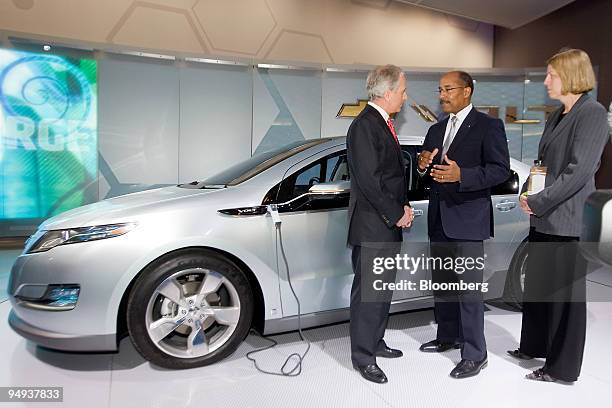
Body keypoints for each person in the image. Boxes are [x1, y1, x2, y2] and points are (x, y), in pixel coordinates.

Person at [508, 49, 609, 383]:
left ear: (570, 75)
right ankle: (533, 346)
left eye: (551, 74)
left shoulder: (592, 113)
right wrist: (527, 191)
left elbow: (578, 172)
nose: (547, 80)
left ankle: (561, 369)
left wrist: (539, 200)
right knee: (538, 288)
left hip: (568, 221)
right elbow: (542, 164)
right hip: (544, 216)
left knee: (565, 299)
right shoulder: (557, 115)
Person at [416, 70, 510, 378]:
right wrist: (421, 166)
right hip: (439, 217)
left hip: (469, 219)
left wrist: (463, 176)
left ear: (467, 91)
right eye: (439, 89)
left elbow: (500, 171)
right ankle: (448, 336)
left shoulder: (488, 126)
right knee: (443, 283)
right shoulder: (436, 129)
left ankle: (475, 354)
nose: (442, 95)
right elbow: (427, 172)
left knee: (469, 290)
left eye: (448, 89)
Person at [346, 64, 414, 384]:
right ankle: (363, 356)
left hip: (385, 223)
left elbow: (389, 179)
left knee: (382, 291)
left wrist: (403, 206)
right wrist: (397, 212)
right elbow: (370, 182)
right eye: (402, 91)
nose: (404, 96)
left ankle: (375, 341)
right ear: (387, 93)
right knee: (369, 294)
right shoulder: (364, 126)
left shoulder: (382, 123)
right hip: (374, 226)